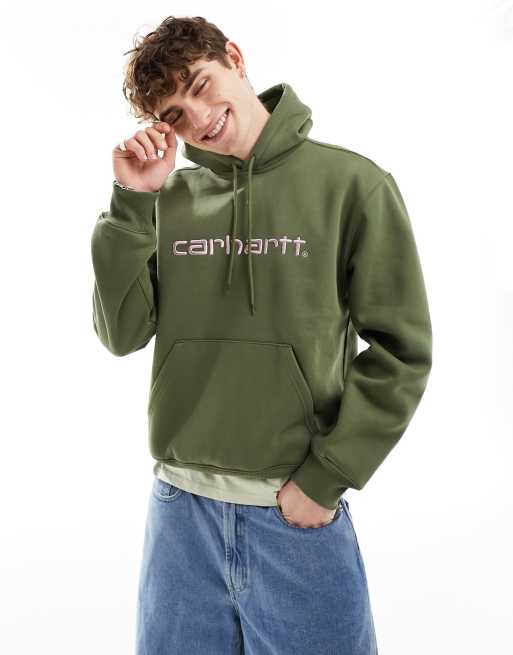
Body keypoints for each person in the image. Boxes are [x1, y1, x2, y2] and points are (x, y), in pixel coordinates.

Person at [90, 14, 432, 655]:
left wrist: (328, 476)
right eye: (175, 114)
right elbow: (121, 332)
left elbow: (401, 351)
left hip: (293, 515)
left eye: (201, 84)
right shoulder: (169, 202)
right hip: (179, 514)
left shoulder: (352, 185)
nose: (200, 117)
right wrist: (131, 201)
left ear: (235, 58)